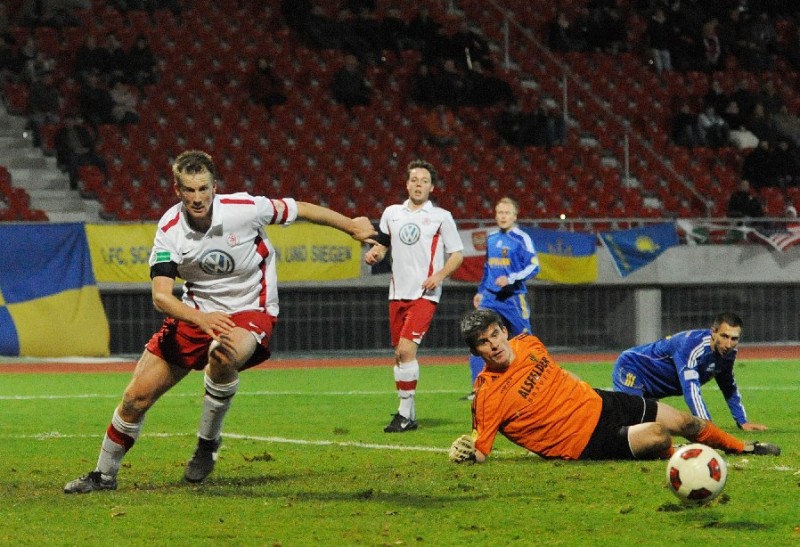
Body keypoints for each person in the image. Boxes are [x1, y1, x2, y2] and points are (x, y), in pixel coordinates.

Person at [64, 150, 376, 493]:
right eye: (189, 190)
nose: (198, 198)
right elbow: (161, 297)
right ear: (177, 191)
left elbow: (299, 208)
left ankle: (206, 443)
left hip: (250, 308)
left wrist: (351, 226)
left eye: (203, 189)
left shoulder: (244, 209)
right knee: (135, 399)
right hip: (197, 312)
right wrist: (200, 318)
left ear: (215, 187)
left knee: (222, 355)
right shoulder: (169, 229)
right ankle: (103, 476)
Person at [448, 309, 780, 464]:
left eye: (495, 334)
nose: (493, 344)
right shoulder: (487, 394)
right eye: (483, 342)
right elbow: (479, 450)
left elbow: (558, 373)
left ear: (504, 331)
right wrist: (462, 452)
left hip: (600, 401)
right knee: (658, 436)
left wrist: (580, 388)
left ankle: (742, 447)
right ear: (475, 352)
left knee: (684, 421)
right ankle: (688, 461)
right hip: (583, 440)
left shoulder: (528, 343)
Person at [364, 159, 464, 433]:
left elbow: (457, 254)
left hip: (425, 293)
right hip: (397, 292)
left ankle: (404, 415)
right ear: (407, 184)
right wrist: (374, 254)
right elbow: (382, 246)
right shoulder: (392, 213)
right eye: (414, 180)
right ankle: (409, 413)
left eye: (424, 181)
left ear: (432, 188)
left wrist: (439, 276)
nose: (419, 185)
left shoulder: (441, 216)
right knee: (399, 355)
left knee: (407, 350)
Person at [612, 312, 768, 431]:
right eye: (724, 336)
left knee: (652, 427)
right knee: (631, 426)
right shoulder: (691, 346)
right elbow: (691, 390)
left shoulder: (728, 354)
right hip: (633, 368)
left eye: (734, 339)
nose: (728, 344)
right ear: (713, 332)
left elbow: (728, 386)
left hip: (654, 387)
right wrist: (709, 428)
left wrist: (742, 421)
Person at [467, 197, 539, 393]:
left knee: (525, 340)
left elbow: (534, 266)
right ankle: (479, 389)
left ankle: (535, 380)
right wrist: (481, 291)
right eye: (500, 212)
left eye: (507, 213)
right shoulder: (491, 238)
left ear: (515, 216)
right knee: (478, 337)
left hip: (513, 298)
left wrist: (511, 278)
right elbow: (487, 267)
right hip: (490, 298)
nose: (503, 216)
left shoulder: (522, 239)